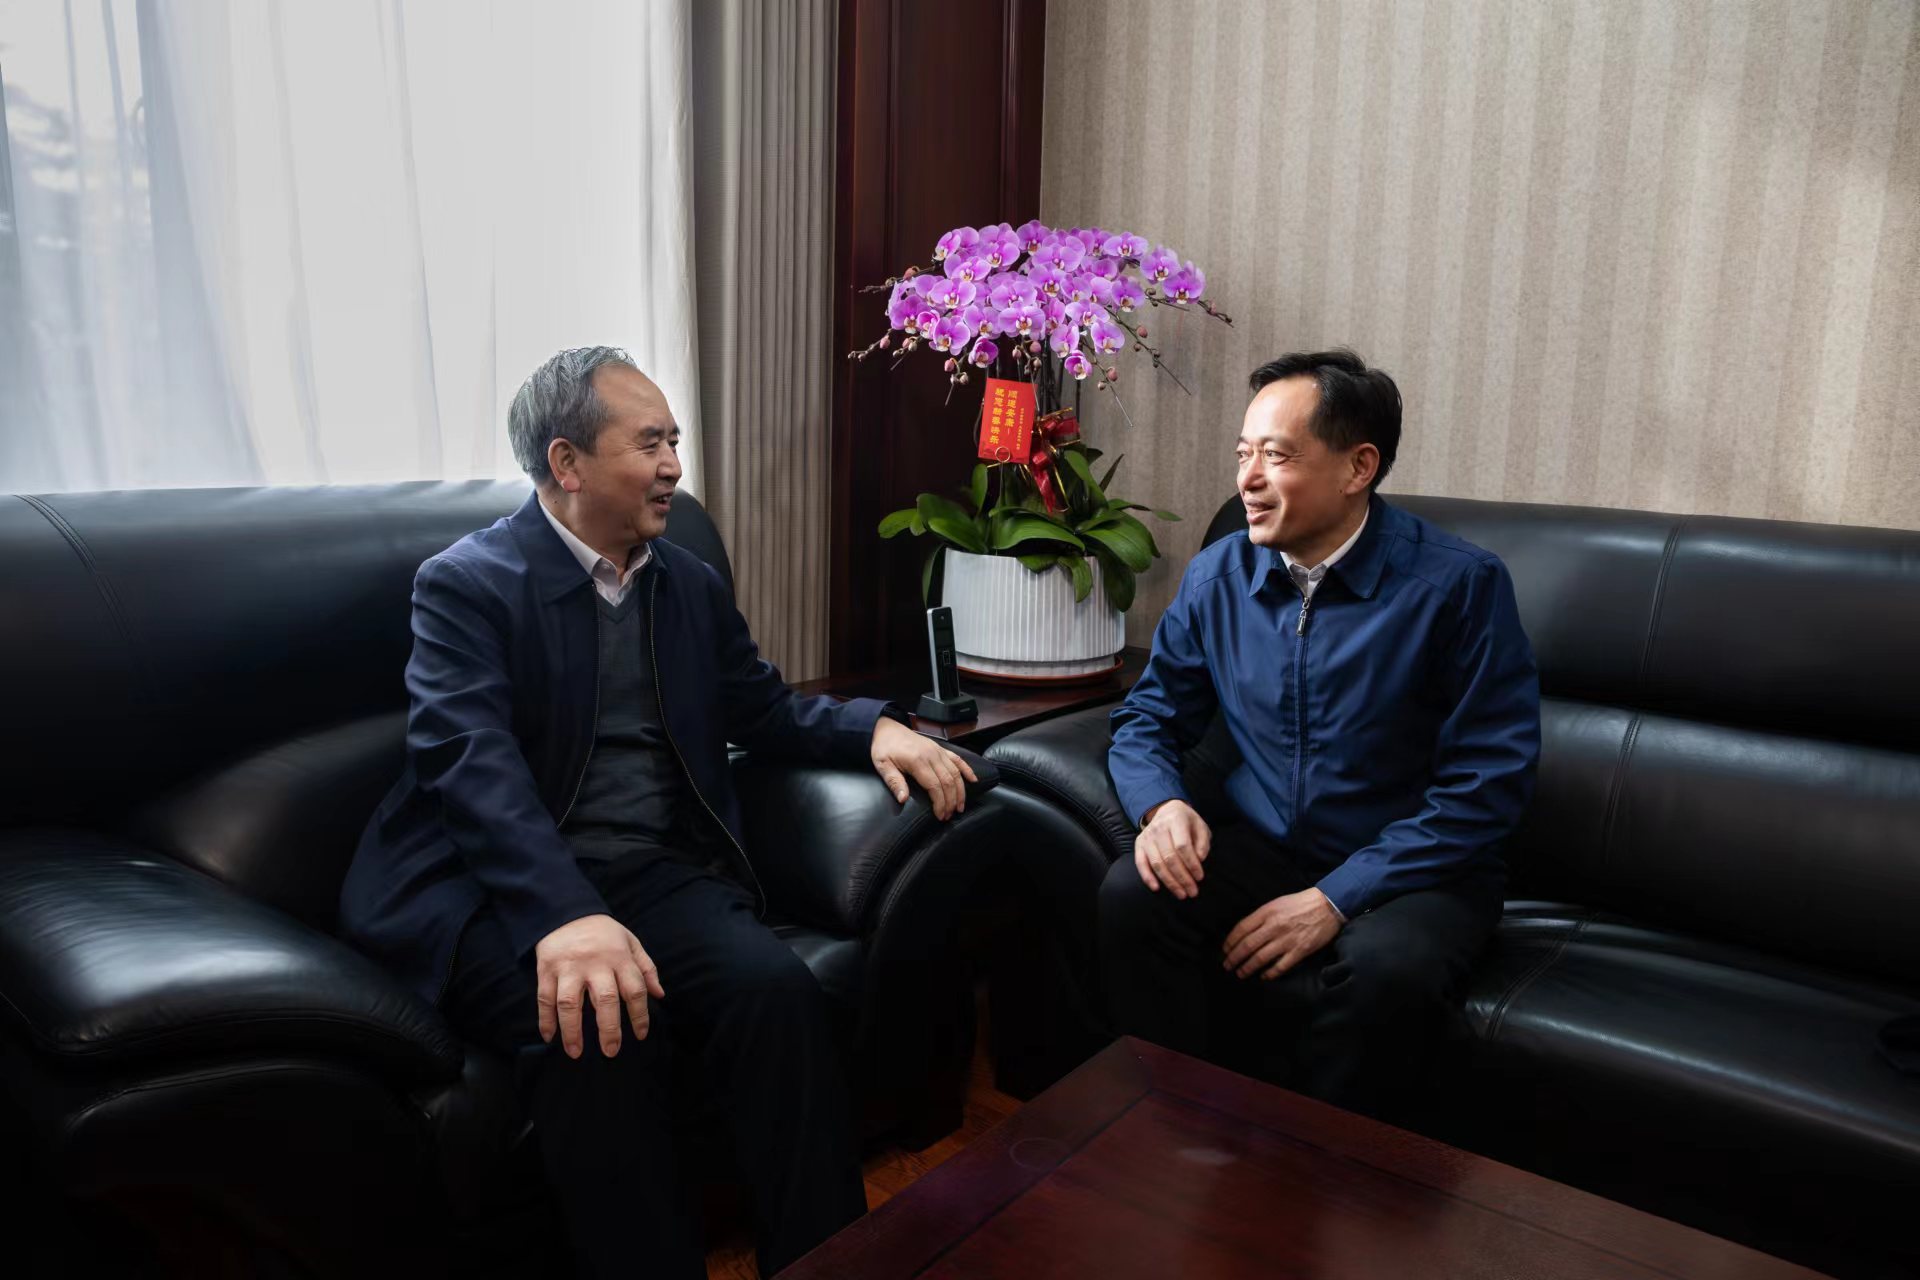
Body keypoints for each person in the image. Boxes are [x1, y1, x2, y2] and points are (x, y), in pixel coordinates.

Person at [339, 347, 976, 1278]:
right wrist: (563, 913)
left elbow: (760, 707)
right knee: (594, 1031)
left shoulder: (685, 581)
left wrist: (874, 730)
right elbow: (468, 764)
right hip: (486, 882)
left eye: (674, 440)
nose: (675, 465)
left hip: (646, 867)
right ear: (567, 463)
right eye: (650, 444)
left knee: (777, 994)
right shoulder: (466, 584)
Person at [1100, 349, 1540, 1118]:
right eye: (1243, 454)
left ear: (1358, 467)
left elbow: (1487, 786)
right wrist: (1160, 806)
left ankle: (1319, 1176)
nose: (1248, 479)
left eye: (1276, 456)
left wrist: (1335, 898)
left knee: (1385, 975)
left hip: (1420, 867)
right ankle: (1175, 1134)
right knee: (1135, 896)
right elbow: (1147, 717)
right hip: (1271, 845)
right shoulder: (1218, 577)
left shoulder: (1458, 587)